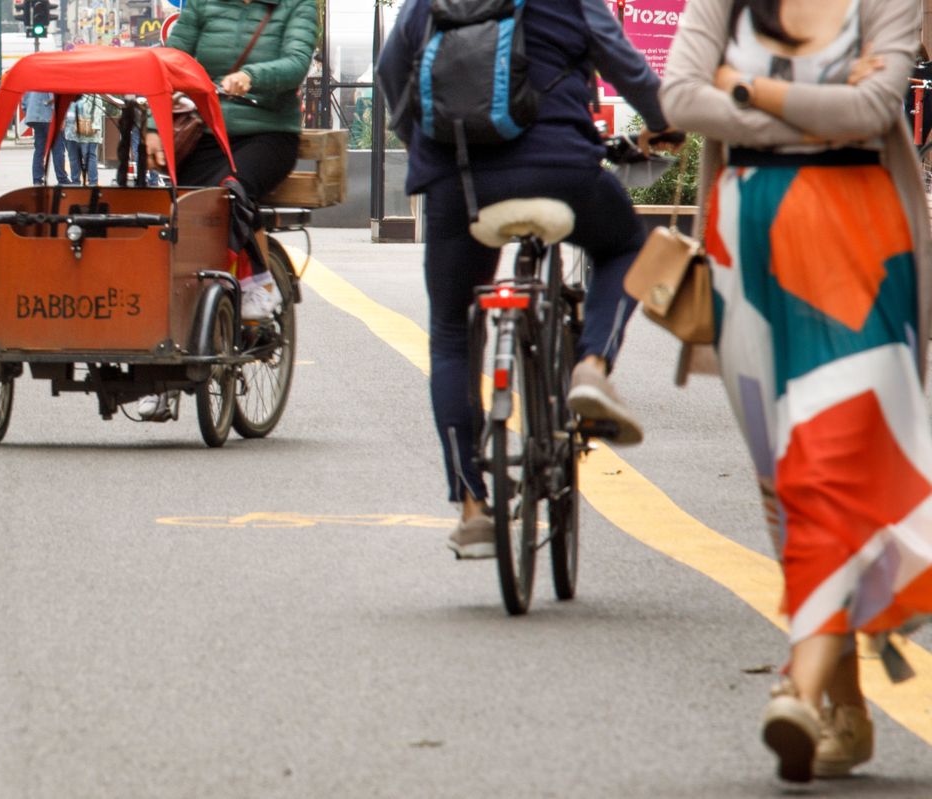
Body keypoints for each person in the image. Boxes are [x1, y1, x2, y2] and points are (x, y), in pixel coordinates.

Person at [660, 0, 932, 784]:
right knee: (785, 482)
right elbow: (679, 97)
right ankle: (844, 704)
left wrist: (746, 93)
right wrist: (813, 113)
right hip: (744, 249)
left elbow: (875, 110)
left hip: (864, 246)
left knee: (828, 462)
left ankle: (800, 686)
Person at [376, 0, 677, 556]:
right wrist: (662, 124)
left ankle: (471, 506)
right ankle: (591, 365)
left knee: (449, 334)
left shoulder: (427, 3)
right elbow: (626, 67)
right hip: (561, 167)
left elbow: (391, 74)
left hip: (457, 178)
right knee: (627, 244)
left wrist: (423, 141)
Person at [135, 0, 318, 421]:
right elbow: (171, 64)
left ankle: (259, 286)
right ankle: (160, 377)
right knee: (172, 225)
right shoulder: (201, 4)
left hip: (266, 136)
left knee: (230, 194)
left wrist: (252, 77)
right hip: (203, 133)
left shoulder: (298, 6)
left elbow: (295, 61)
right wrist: (152, 127)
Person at [23, 90, 68, 186]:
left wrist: (28, 112)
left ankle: (37, 179)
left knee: (39, 150)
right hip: (49, 116)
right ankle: (62, 178)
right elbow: (52, 94)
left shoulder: (32, 78)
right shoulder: (48, 75)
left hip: (34, 116)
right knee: (58, 148)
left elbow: (24, 98)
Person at [64, 93, 103, 185]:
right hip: (71, 132)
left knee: (89, 157)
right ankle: (75, 182)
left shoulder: (94, 96)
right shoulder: (69, 95)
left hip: (88, 133)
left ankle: (92, 182)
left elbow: (97, 114)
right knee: (73, 158)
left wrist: (95, 127)